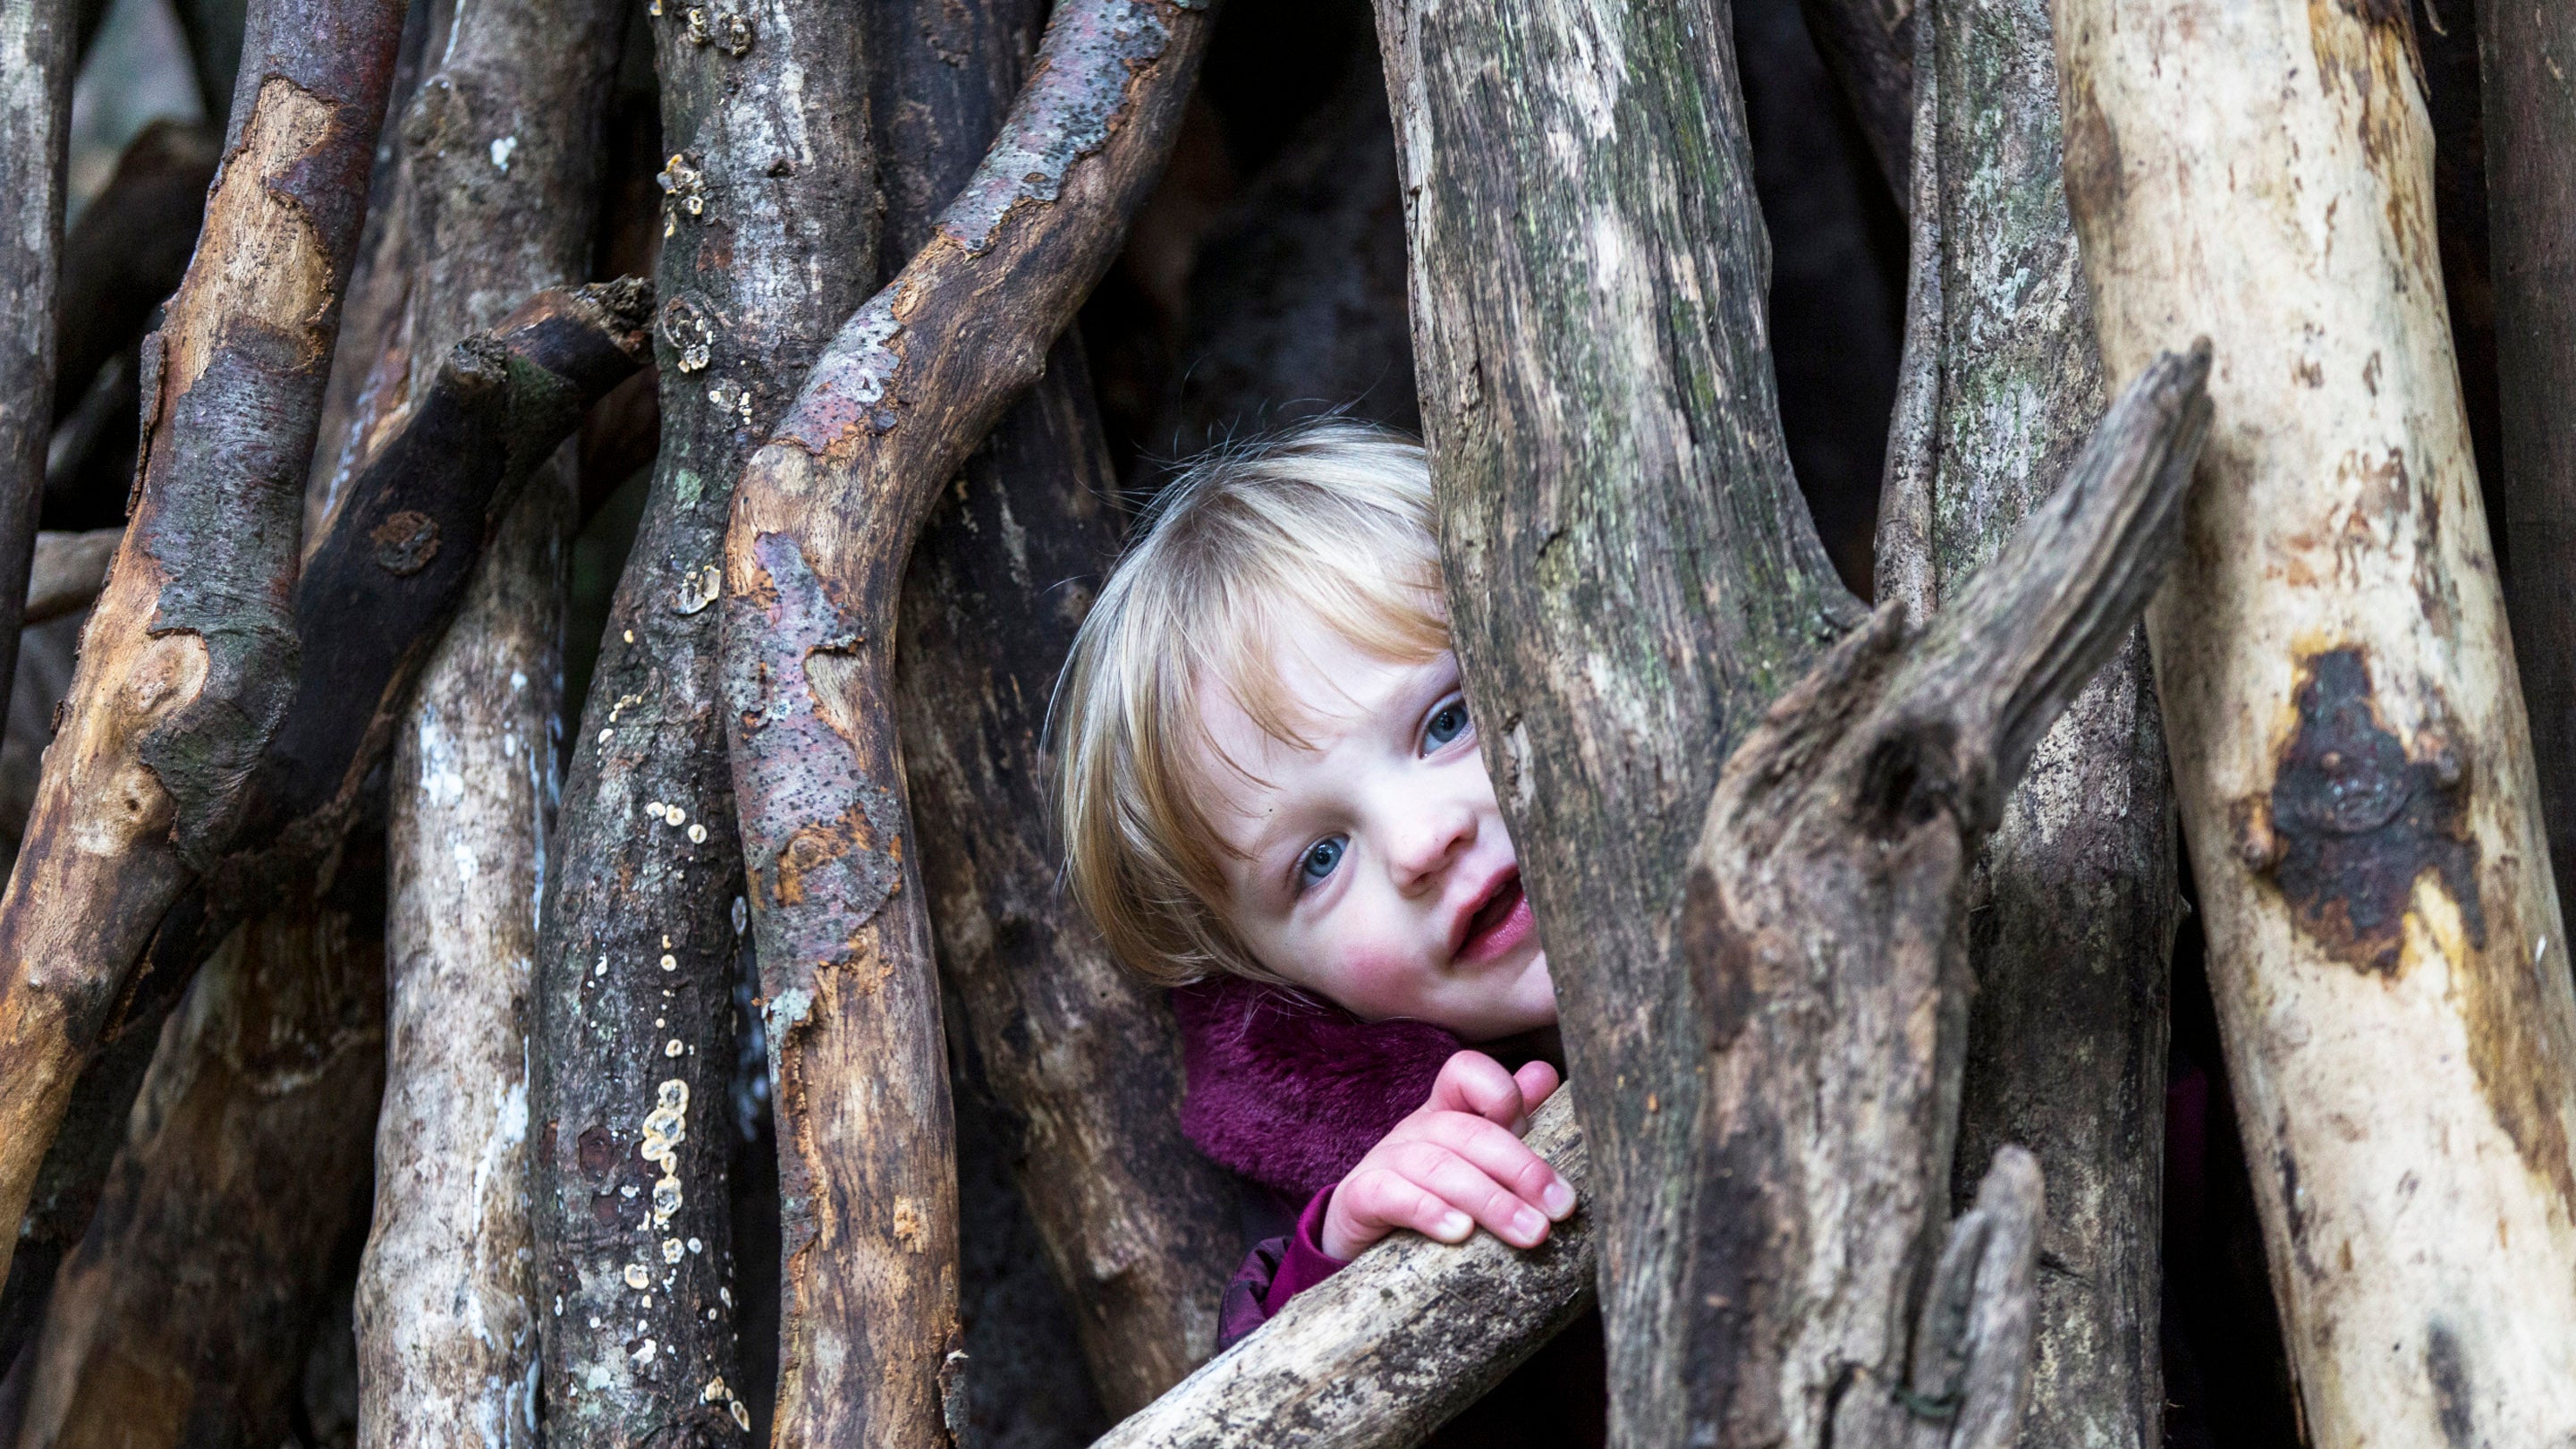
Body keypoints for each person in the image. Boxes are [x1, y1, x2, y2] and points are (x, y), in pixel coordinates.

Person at [1049, 419, 1590, 1383]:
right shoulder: (1338, 1163)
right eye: (1322, 857)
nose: (1425, 841)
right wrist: (1349, 1271)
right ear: (1266, 970)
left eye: (1446, 721)